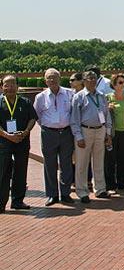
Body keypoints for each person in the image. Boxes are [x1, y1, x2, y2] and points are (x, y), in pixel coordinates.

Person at [34, 68, 75, 206]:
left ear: (60, 78)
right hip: (48, 133)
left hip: (66, 133)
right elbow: (37, 116)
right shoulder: (40, 97)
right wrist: (48, 126)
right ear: (45, 80)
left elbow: (73, 113)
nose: (52, 80)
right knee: (49, 164)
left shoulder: (70, 94)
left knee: (66, 164)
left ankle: (65, 193)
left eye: (54, 77)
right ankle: (52, 195)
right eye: (49, 78)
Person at [70, 71, 112, 203]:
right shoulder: (79, 97)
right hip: (85, 131)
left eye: (94, 78)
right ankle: (82, 192)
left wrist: (108, 133)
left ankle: (100, 189)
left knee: (99, 162)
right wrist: (78, 136)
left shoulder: (101, 96)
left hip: (100, 130)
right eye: (89, 78)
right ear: (84, 80)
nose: (92, 80)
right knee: (82, 163)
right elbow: (74, 119)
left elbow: (106, 115)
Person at [0, 75, 37, 212]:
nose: (10, 88)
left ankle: (17, 201)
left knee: (21, 171)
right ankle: (1, 203)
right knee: (3, 172)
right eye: (6, 85)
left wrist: (26, 132)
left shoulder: (25, 102)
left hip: (22, 141)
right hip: (4, 142)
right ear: (2, 87)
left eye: (12, 84)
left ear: (17, 86)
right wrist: (7, 135)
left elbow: (32, 118)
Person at [105, 73, 124, 191]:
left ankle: (122, 182)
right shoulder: (108, 98)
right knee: (110, 159)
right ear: (114, 85)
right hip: (113, 134)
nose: (123, 85)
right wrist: (107, 108)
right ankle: (110, 184)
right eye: (120, 82)